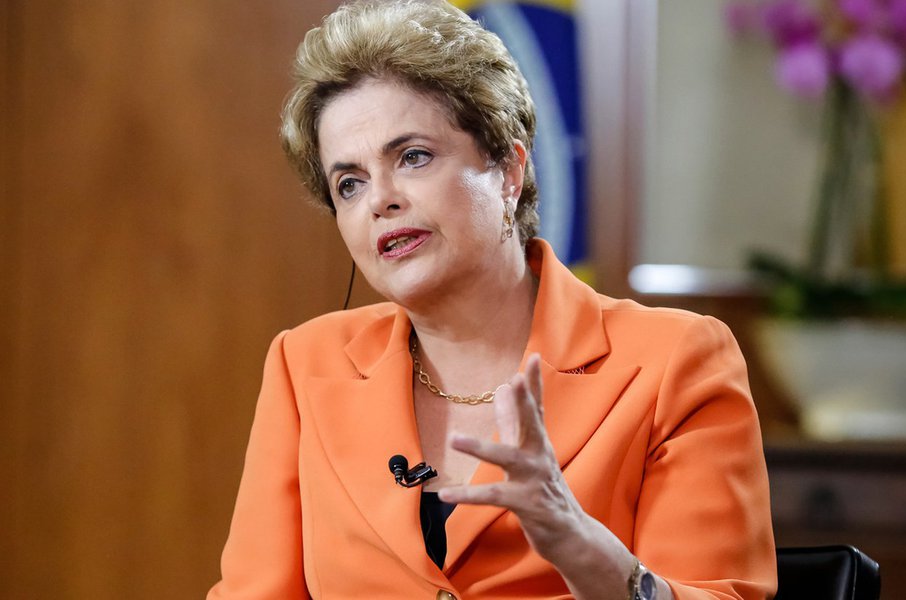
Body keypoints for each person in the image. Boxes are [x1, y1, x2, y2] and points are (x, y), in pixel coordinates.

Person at [207, 1, 776, 599]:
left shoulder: (674, 363)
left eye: (413, 157)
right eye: (349, 183)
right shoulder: (306, 365)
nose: (381, 199)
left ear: (508, 169)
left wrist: (581, 546)